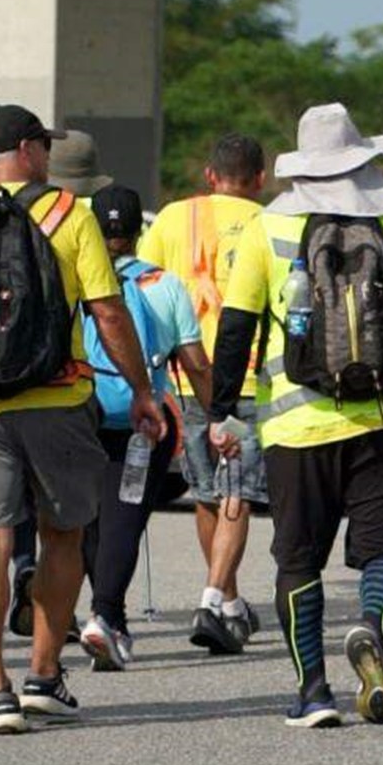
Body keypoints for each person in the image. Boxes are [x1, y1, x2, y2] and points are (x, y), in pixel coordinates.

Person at [0, 104, 164, 734]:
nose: (48, 157)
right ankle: (44, 677)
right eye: (42, 147)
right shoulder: (68, 216)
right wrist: (140, 389)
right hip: (57, 399)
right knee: (63, 535)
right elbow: (107, 312)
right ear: (26, 150)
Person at [209, 103, 383, 727]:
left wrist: (221, 413)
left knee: (297, 561)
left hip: (297, 424)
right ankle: (371, 626)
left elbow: (235, 330)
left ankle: (313, 692)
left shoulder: (267, 229)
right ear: (363, 157)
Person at [138, 133, 268, 654]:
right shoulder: (271, 223)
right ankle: (214, 599)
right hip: (253, 379)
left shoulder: (173, 218)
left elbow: (143, 288)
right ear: (261, 179)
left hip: (193, 376)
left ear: (209, 175)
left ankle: (229, 605)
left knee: (208, 492)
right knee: (238, 490)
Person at [77, 185, 213, 671]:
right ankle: (107, 616)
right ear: (139, 231)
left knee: (89, 520)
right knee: (125, 519)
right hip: (143, 421)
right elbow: (194, 361)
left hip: (81, 412)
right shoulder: (164, 284)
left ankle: (106, 615)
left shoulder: (76, 280)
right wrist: (214, 410)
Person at [6, 128, 116, 640]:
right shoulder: (79, 218)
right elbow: (107, 311)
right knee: (68, 520)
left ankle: (22, 564)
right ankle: (53, 649)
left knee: (3, 516)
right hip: (66, 382)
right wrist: (140, 388)